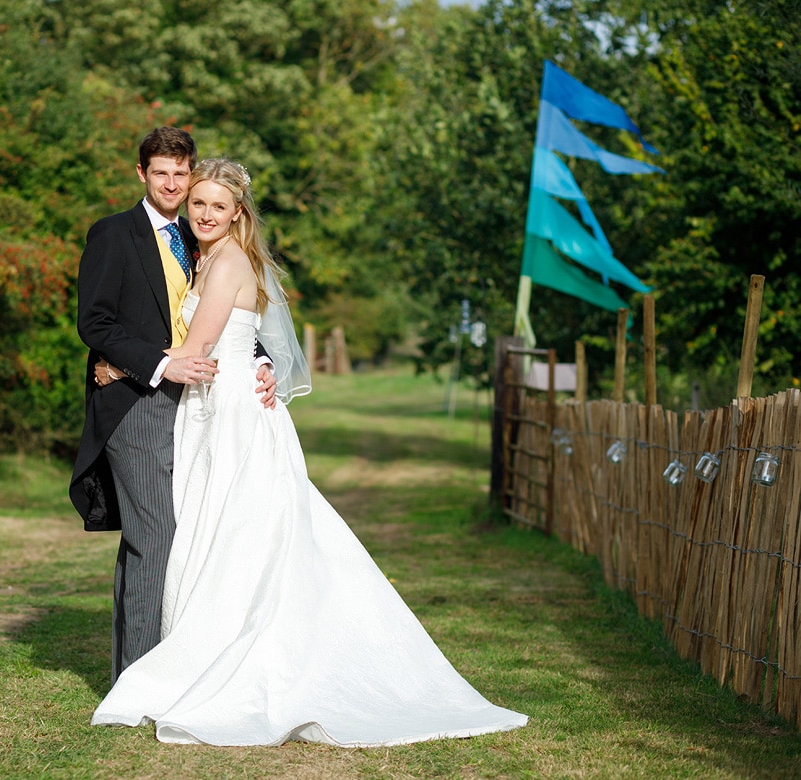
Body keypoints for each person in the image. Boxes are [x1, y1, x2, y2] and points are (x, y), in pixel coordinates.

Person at [90, 158, 529, 746]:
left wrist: (121, 363)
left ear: (237, 211)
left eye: (217, 206)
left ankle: (233, 654)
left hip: (230, 413)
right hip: (212, 404)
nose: (204, 214)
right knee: (218, 526)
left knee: (239, 529)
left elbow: (195, 349)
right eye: (198, 204)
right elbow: (228, 341)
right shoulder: (211, 258)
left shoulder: (226, 264)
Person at [69, 129, 277, 685]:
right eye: (160, 172)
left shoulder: (200, 236)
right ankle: (139, 679)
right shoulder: (113, 235)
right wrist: (153, 365)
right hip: (134, 403)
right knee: (157, 530)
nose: (172, 183)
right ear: (142, 173)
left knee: (162, 533)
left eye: (180, 174)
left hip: (194, 408)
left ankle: (145, 668)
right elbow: (95, 322)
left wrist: (260, 361)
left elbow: (228, 313)